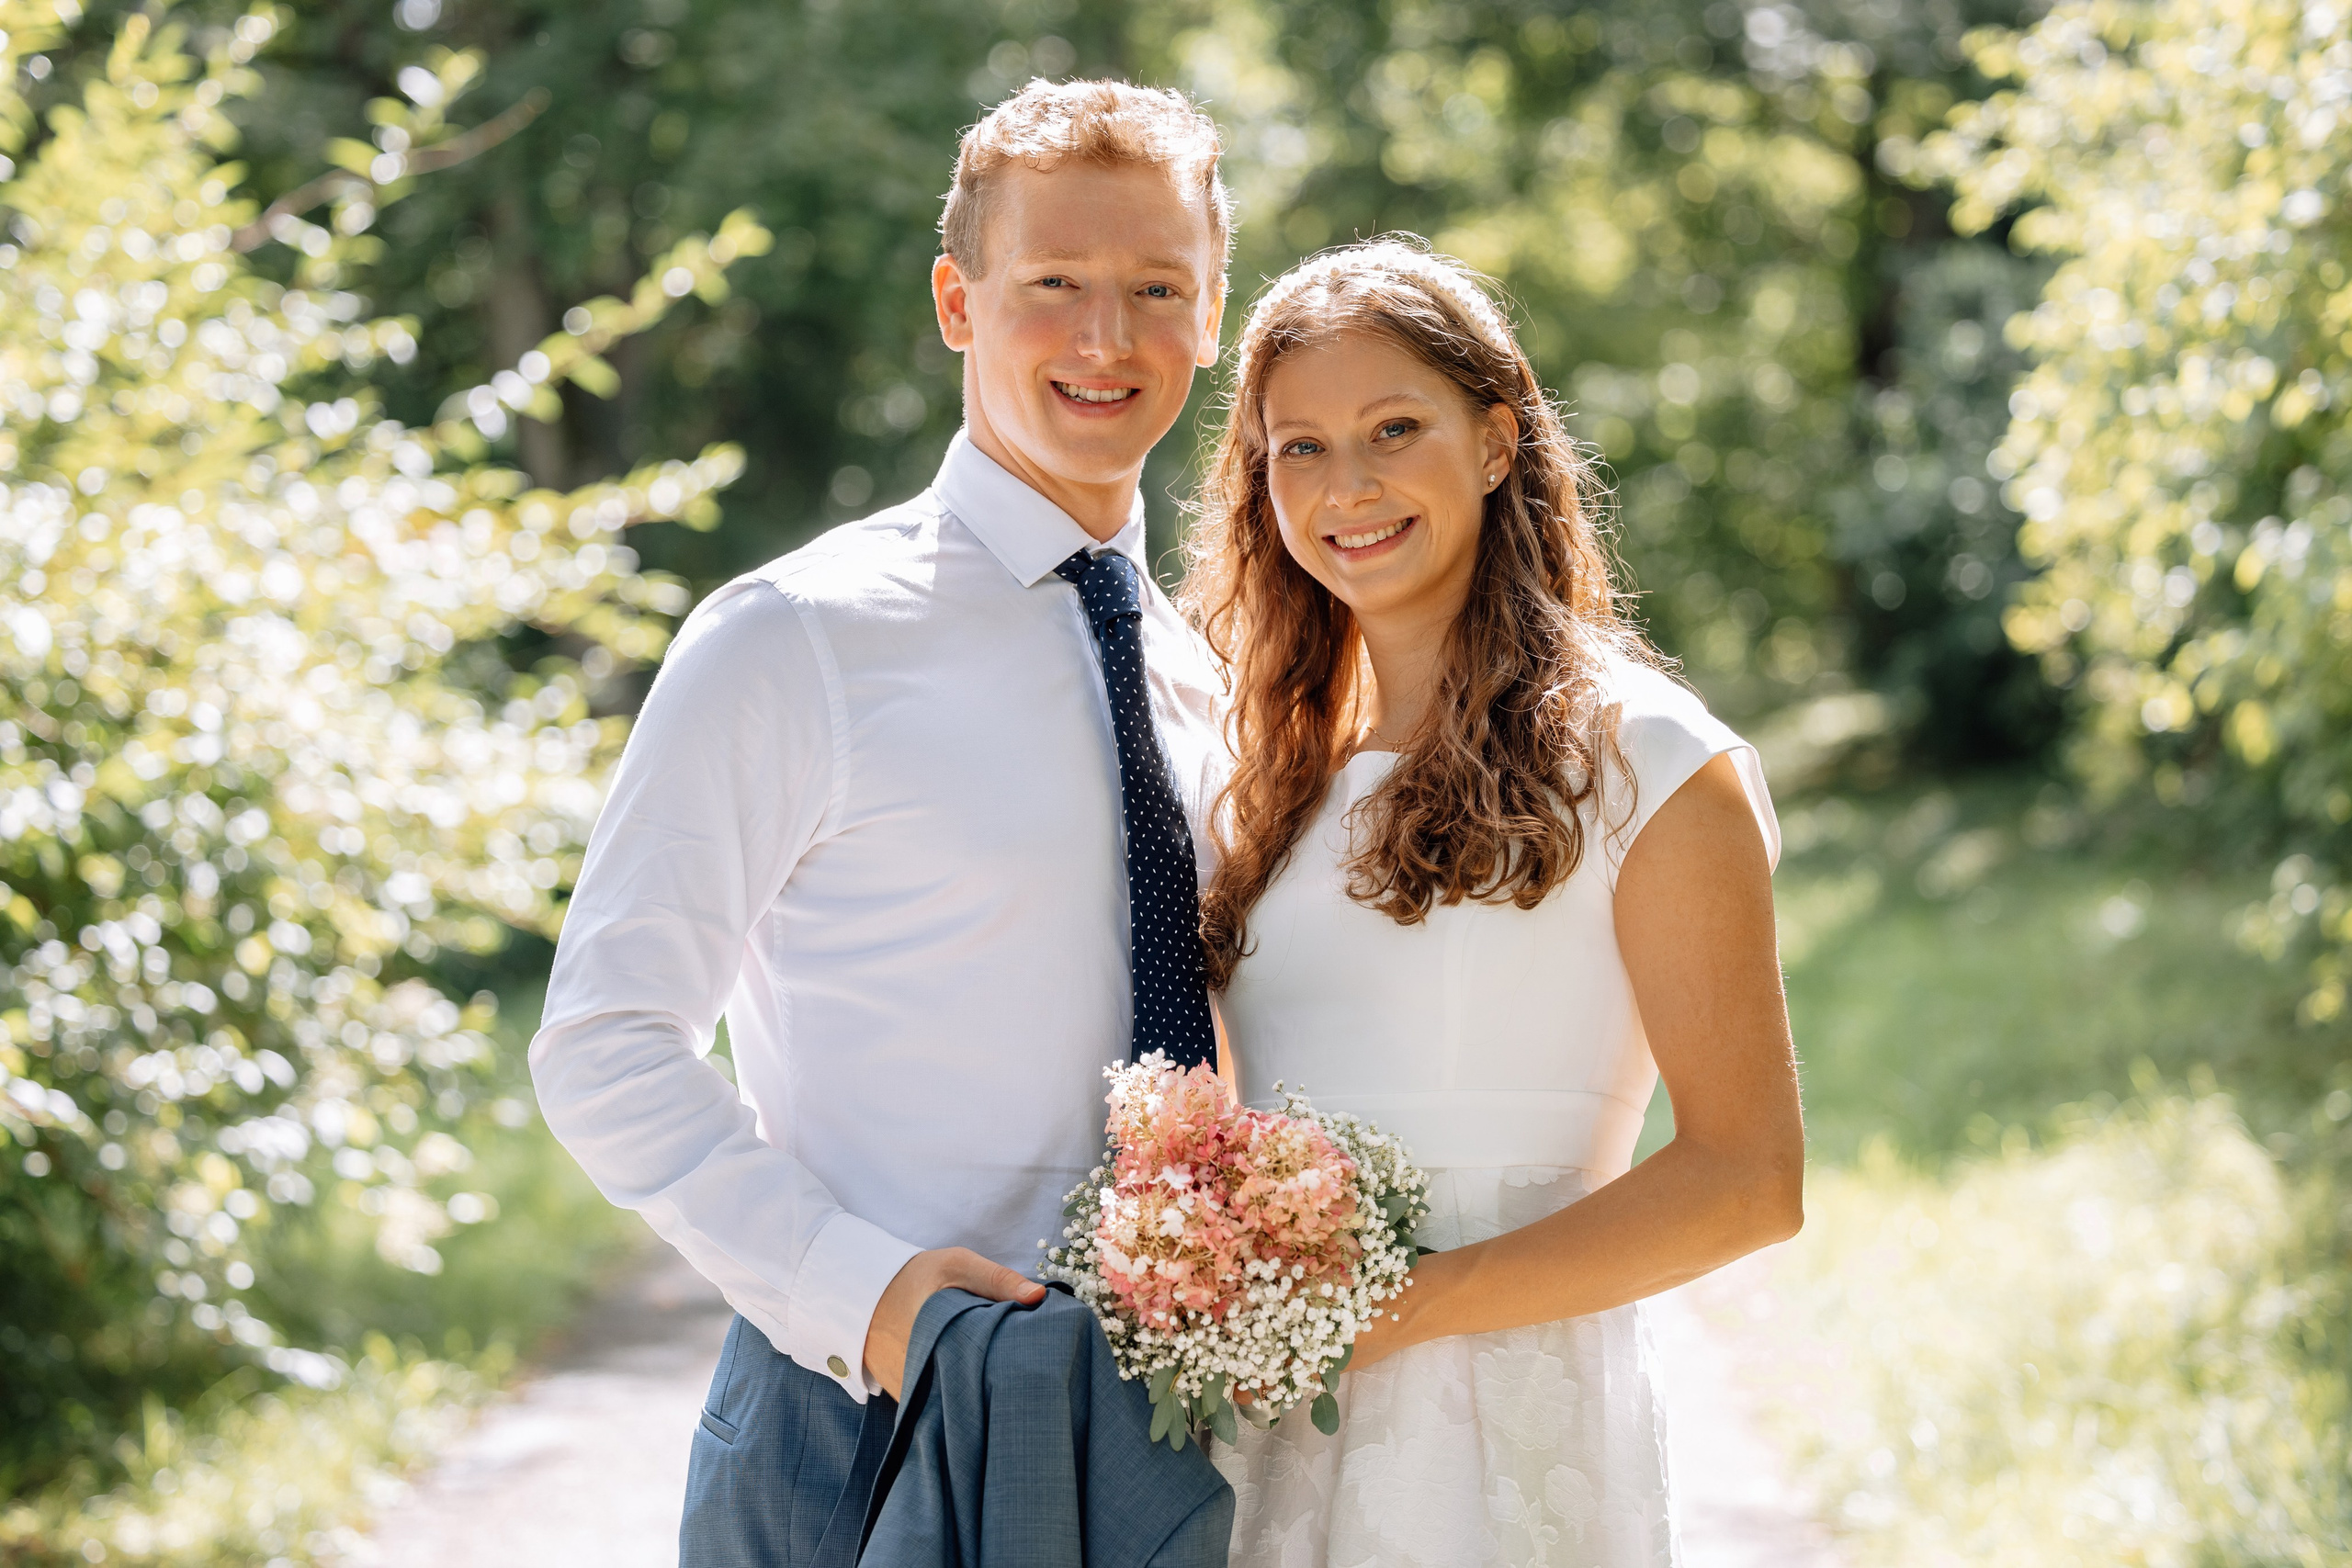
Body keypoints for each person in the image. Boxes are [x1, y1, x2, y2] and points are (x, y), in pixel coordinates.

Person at [528, 79, 1233, 1566]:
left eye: (1157, 289)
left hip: (1168, 1440)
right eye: (1054, 284)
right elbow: (603, 1044)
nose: (1107, 337)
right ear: (958, 303)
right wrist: (867, 1300)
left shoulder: (1205, 678)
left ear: (1212, 316)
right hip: (863, 1420)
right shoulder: (794, 638)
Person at [1182, 240, 1806, 1566]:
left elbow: (1749, 1179)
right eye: (1300, 448)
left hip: (1504, 1442)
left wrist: (1402, 1311)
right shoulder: (1261, 782)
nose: (1347, 486)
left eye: (1393, 430)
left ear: (1496, 441)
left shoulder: (1646, 761)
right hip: (1264, 1441)